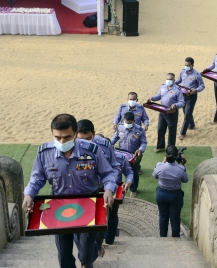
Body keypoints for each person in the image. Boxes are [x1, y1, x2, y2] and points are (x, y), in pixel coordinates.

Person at [22, 114, 116, 268]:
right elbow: (37, 178)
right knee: (64, 254)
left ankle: (87, 259)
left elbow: (107, 173)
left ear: (75, 133)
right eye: (57, 137)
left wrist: (108, 189)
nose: (62, 142)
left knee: (86, 254)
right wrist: (29, 194)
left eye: (67, 137)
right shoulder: (44, 153)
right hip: (59, 205)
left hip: (88, 204)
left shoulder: (91, 150)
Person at [152, 145, 188, 238]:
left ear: (165, 155)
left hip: (161, 194)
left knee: (163, 217)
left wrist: (163, 161)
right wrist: (183, 164)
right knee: (175, 218)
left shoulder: (159, 166)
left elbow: (154, 176)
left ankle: (163, 237)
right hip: (175, 196)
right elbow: (185, 180)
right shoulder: (180, 169)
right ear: (176, 156)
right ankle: (175, 238)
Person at [112, 112, 146, 197]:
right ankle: (119, 188)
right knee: (118, 172)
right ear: (124, 120)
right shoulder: (120, 127)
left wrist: (140, 150)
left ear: (134, 121)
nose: (127, 124)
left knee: (133, 173)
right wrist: (109, 144)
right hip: (121, 155)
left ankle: (133, 189)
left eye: (130, 123)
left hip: (134, 156)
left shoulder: (140, 130)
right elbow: (115, 137)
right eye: (126, 122)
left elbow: (143, 143)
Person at [149, 73, 185, 152]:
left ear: (174, 80)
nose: (168, 81)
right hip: (162, 112)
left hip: (172, 113)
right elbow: (159, 96)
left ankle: (170, 149)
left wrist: (175, 105)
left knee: (172, 131)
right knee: (160, 129)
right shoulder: (163, 87)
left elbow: (182, 102)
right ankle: (160, 146)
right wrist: (152, 98)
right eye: (167, 79)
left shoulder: (177, 90)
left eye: (170, 79)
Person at [105, 148, 134, 245]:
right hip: (96, 192)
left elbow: (129, 172)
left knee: (112, 217)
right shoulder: (92, 157)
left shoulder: (120, 158)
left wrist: (128, 181)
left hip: (114, 193)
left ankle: (110, 240)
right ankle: (98, 242)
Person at [175, 57, 205, 140]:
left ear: (192, 65)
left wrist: (196, 90)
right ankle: (191, 125)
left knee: (187, 113)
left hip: (191, 97)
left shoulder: (196, 74)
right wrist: (173, 83)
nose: (186, 67)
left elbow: (202, 86)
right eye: (185, 65)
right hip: (182, 95)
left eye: (188, 65)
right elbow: (178, 80)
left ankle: (183, 133)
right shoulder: (182, 71)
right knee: (186, 112)